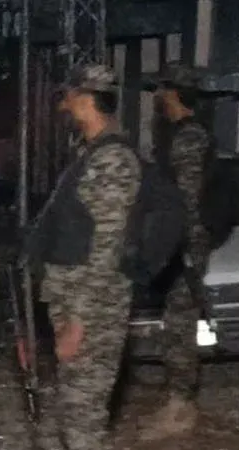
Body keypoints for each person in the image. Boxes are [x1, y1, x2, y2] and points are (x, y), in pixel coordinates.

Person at [33, 64, 140, 450]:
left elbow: (106, 248)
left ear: (86, 100)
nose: (64, 105)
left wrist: (78, 321)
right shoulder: (90, 152)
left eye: (69, 96)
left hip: (94, 309)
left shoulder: (113, 159)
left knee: (83, 424)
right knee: (69, 416)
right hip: (74, 299)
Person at [139, 62, 212, 440]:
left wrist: (176, 245)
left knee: (181, 324)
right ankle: (179, 400)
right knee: (176, 320)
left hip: (185, 243)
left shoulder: (188, 138)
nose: (157, 97)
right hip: (182, 241)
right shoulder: (180, 135)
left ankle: (181, 406)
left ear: (174, 92)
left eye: (161, 89)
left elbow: (186, 200)